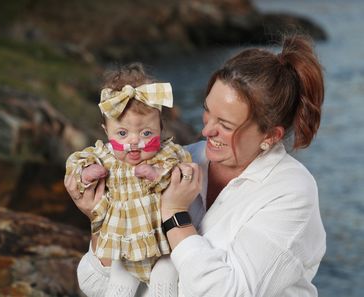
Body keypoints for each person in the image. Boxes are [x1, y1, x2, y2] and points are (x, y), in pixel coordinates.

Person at [65, 35, 326, 297]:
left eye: (225, 125)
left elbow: (227, 292)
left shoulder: (290, 191)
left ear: (271, 135)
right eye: (207, 111)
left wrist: (175, 214)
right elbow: (95, 285)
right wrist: (100, 220)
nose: (205, 130)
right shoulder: (182, 159)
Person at [65, 63, 191, 297]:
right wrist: (86, 172)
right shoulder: (104, 156)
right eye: (122, 134)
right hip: (123, 248)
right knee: (118, 287)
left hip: (164, 246)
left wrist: (158, 174)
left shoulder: (166, 154)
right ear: (106, 131)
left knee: (165, 281)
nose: (134, 142)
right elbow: (75, 161)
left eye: (146, 133)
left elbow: (183, 169)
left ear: (161, 128)